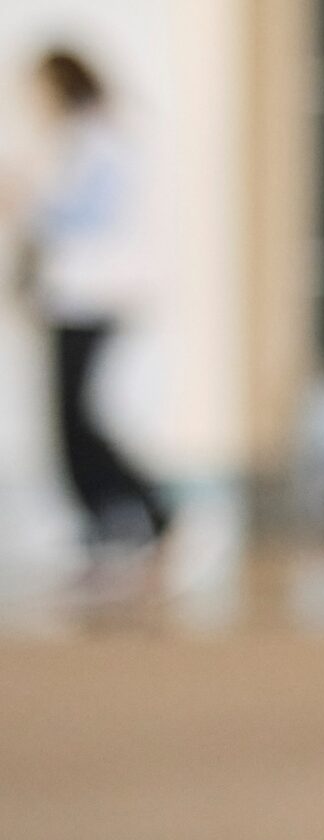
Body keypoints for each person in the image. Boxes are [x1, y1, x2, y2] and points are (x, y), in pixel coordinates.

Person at [14, 48, 164, 559]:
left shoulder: (97, 140)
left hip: (91, 296)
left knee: (75, 415)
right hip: (72, 296)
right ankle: (109, 513)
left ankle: (139, 506)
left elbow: (77, 216)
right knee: (74, 415)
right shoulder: (78, 139)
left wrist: (26, 198)